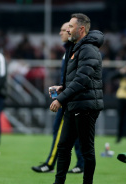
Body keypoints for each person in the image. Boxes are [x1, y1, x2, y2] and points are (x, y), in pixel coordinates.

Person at [49, 13, 104, 184]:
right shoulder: (77, 47)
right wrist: (62, 88)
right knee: (64, 146)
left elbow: (82, 80)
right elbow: (78, 79)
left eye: (71, 26)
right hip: (75, 104)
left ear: (81, 29)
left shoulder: (88, 49)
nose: (67, 29)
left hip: (86, 106)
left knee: (87, 150)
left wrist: (60, 99)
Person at [31, 22, 84, 174]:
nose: (61, 33)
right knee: (75, 135)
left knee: (59, 131)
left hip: (69, 100)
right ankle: (81, 164)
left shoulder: (74, 51)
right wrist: (60, 87)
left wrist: (63, 95)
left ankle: (50, 163)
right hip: (69, 97)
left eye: (64, 30)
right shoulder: (68, 51)